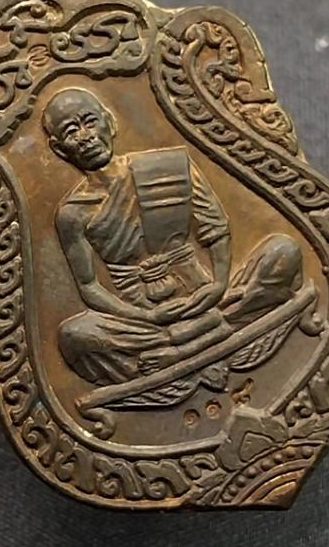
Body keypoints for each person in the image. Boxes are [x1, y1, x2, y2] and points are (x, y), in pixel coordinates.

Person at [43, 88, 302, 385]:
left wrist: (218, 285)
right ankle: (209, 333)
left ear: (110, 123)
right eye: (71, 131)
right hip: (145, 319)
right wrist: (146, 317)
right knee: (74, 337)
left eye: (90, 122)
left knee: (284, 251)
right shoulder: (72, 213)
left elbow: (215, 228)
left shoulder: (167, 167)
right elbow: (89, 287)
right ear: (59, 149)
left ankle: (181, 349)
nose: (85, 136)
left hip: (209, 295)